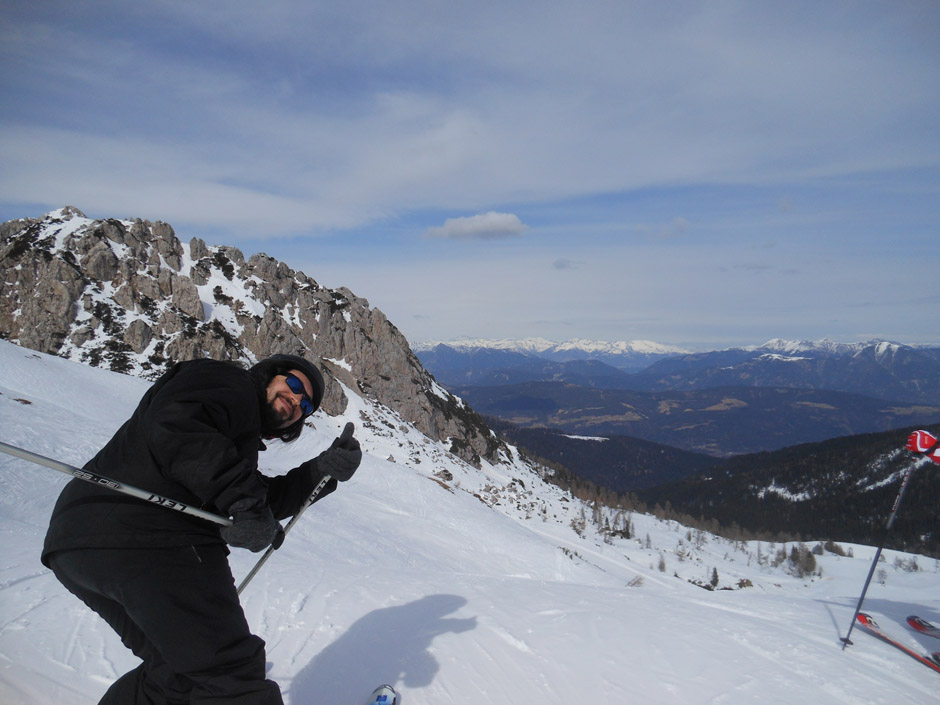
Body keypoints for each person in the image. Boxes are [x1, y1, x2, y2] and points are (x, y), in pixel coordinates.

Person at [41, 354, 362, 705]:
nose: (297, 400)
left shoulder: (226, 444)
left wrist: (321, 471)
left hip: (77, 544)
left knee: (178, 673)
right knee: (231, 675)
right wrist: (244, 502)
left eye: (307, 405)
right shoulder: (227, 381)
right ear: (269, 375)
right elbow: (177, 424)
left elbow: (254, 496)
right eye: (295, 385)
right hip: (151, 536)